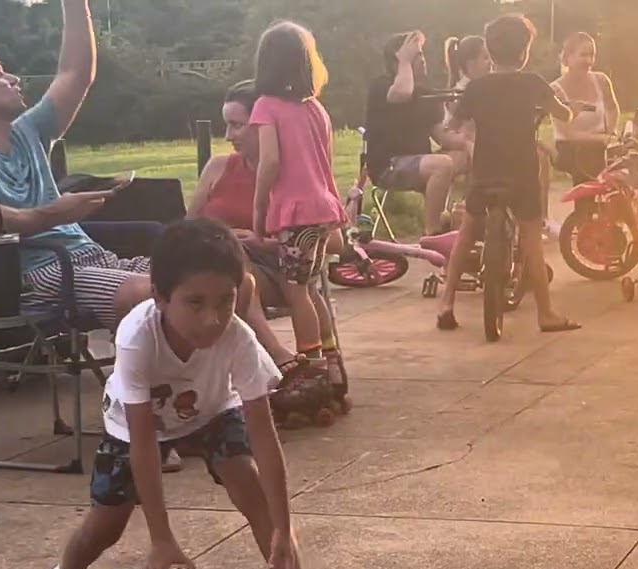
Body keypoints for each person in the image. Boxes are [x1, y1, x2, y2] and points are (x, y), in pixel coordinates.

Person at [27, 216, 342, 569]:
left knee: (250, 485)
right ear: (160, 297)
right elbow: (143, 445)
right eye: (195, 303)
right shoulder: (137, 336)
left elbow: (265, 440)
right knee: (106, 525)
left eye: (225, 301)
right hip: (138, 425)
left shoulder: (239, 338)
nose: (212, 319)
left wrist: (283, 527)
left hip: (212, 411)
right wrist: (161, 538)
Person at [0, 0, 151, 331]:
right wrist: (55, 214)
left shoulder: (29, 131)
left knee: (208, 275)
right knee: (155, 294)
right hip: (36, 274)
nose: (15, 78)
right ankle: (143, 364)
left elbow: (76, 73)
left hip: (88, 257)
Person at [188, 79, 342, 386]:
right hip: (221, 267)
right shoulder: (218, 167)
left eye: (237, 125)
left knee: (239, 260)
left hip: (278, 272)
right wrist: (224, 238)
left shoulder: (293, 179)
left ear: (263, 125)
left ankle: (301, 362)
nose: (228, 136)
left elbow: (334, 242)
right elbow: (188, 228)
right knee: (228, 253)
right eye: (226, 125)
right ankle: (279, 355)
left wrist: (265, 242)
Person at [437, 13, 580, 335]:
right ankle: (546, 313)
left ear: (490, 51)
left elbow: (453, 124)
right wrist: (566, 106)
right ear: (524, 51)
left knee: (467, 232)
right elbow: (564, 114)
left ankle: (446, 302)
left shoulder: (476, 87)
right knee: (532, 239)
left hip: (485, 171)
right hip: (522, 172)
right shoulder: (533, 83)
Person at [250, 21, 348, 373]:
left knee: (295, 291)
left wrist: (259, 207)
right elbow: (326, 163)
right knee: (309, 286)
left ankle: (312, 366)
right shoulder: (316, 109)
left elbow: (270, 162)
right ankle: (331, 362)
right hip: (322, 209)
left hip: (297, 214)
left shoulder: (266, 106)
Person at [366, 31, 469, 236]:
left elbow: (441, 136)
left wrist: (468, 140)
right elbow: (402, 94)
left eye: (422, 54)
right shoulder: (383, 86)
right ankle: (433, 232)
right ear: (396, 62)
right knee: (442, 164)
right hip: (388, 165)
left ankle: (461, 222)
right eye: (415, 56)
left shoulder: (425, 93)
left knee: (465, 155)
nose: (422, 60)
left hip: (421, 162)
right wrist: (404, 61)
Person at [550, 32, 620, 185]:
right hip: (570, 147)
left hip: (600, 144)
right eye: (583, 55)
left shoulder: (601, 80)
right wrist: (602, 139)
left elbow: (612, 109)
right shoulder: (555, 90)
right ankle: (588, 198)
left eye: (591, 55)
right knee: (589, 156)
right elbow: (568, 134)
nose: (588, 61)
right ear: (567, 58)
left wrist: (610, 132)